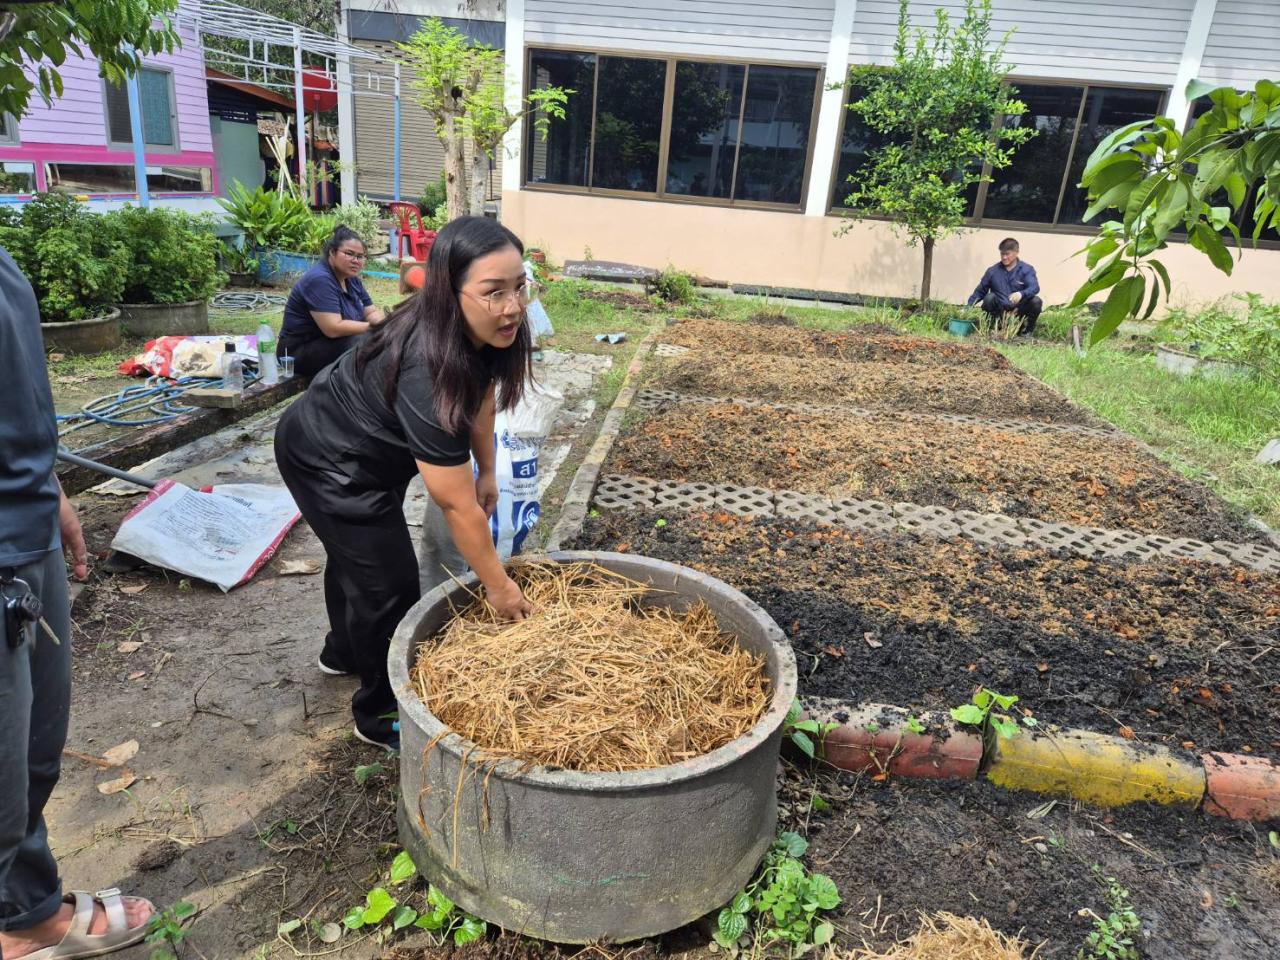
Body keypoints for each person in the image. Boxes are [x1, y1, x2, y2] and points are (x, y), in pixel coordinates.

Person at [273, 216, 537, 751]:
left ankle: (344, 652)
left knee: (360, 557)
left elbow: (483, 396)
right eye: (493, 292)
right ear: (449, 289)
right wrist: (498, 585)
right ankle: (380, 714)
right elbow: (455, 505)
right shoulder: (428, 364)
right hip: (328, 456)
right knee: (389, 585)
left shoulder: (489, 327)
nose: (511, 306)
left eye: (518, 286)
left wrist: (487, 467)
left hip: (368, 448)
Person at [0, 248, 155, 957]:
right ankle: (22, 920)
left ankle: (21, 905)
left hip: (24, 523)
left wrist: (52, 488)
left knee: (33, 748)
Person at [277, 225, 385, 378]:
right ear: (332, 252)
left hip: (331, 343)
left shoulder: (352, 279)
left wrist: (384, 325)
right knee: (366, 342)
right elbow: (333, 328)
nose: (356, 261)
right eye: (349, 254)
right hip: (298, 353)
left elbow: (371, 311)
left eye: (360, 257)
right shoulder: (320, 279)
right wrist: (373, 327)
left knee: (382, 339)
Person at [967, 237, 1042, 335]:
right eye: (1002, 254)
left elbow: (1034, 287)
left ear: (1016, 252)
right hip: (999, 313)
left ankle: (1025, 332)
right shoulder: (992, 271)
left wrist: (1021, 294)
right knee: (989, 297)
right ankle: (990, 329)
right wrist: (968, 307)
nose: (1004, 257)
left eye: (1007, 254)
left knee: (1036, 301)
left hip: (1019, 313)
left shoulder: (1026, 270)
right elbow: (980, 291)